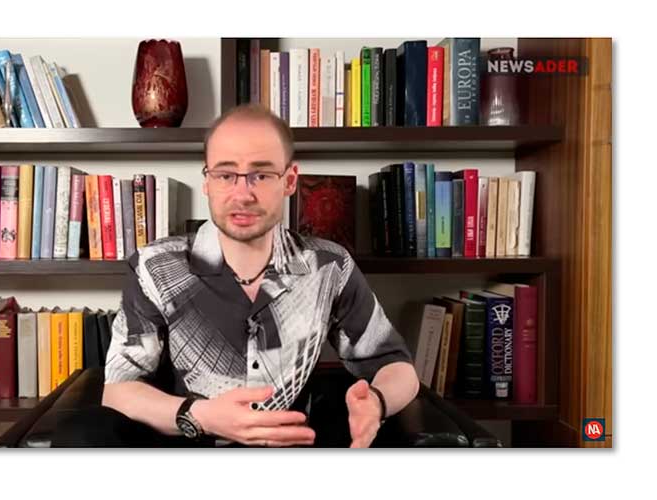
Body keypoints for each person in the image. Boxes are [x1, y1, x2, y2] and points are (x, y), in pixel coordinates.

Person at [53, 104, 419, 448]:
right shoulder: (155, 267)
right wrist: (202, 416)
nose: (242, 194)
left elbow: (396, 366)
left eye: (261, 174)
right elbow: (119, 392)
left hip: (291, 451)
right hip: (185, 452)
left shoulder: (329, 266)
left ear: (290, 180)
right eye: (226, 175)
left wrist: (376, 402)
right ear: (207, 181)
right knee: (83, 433)